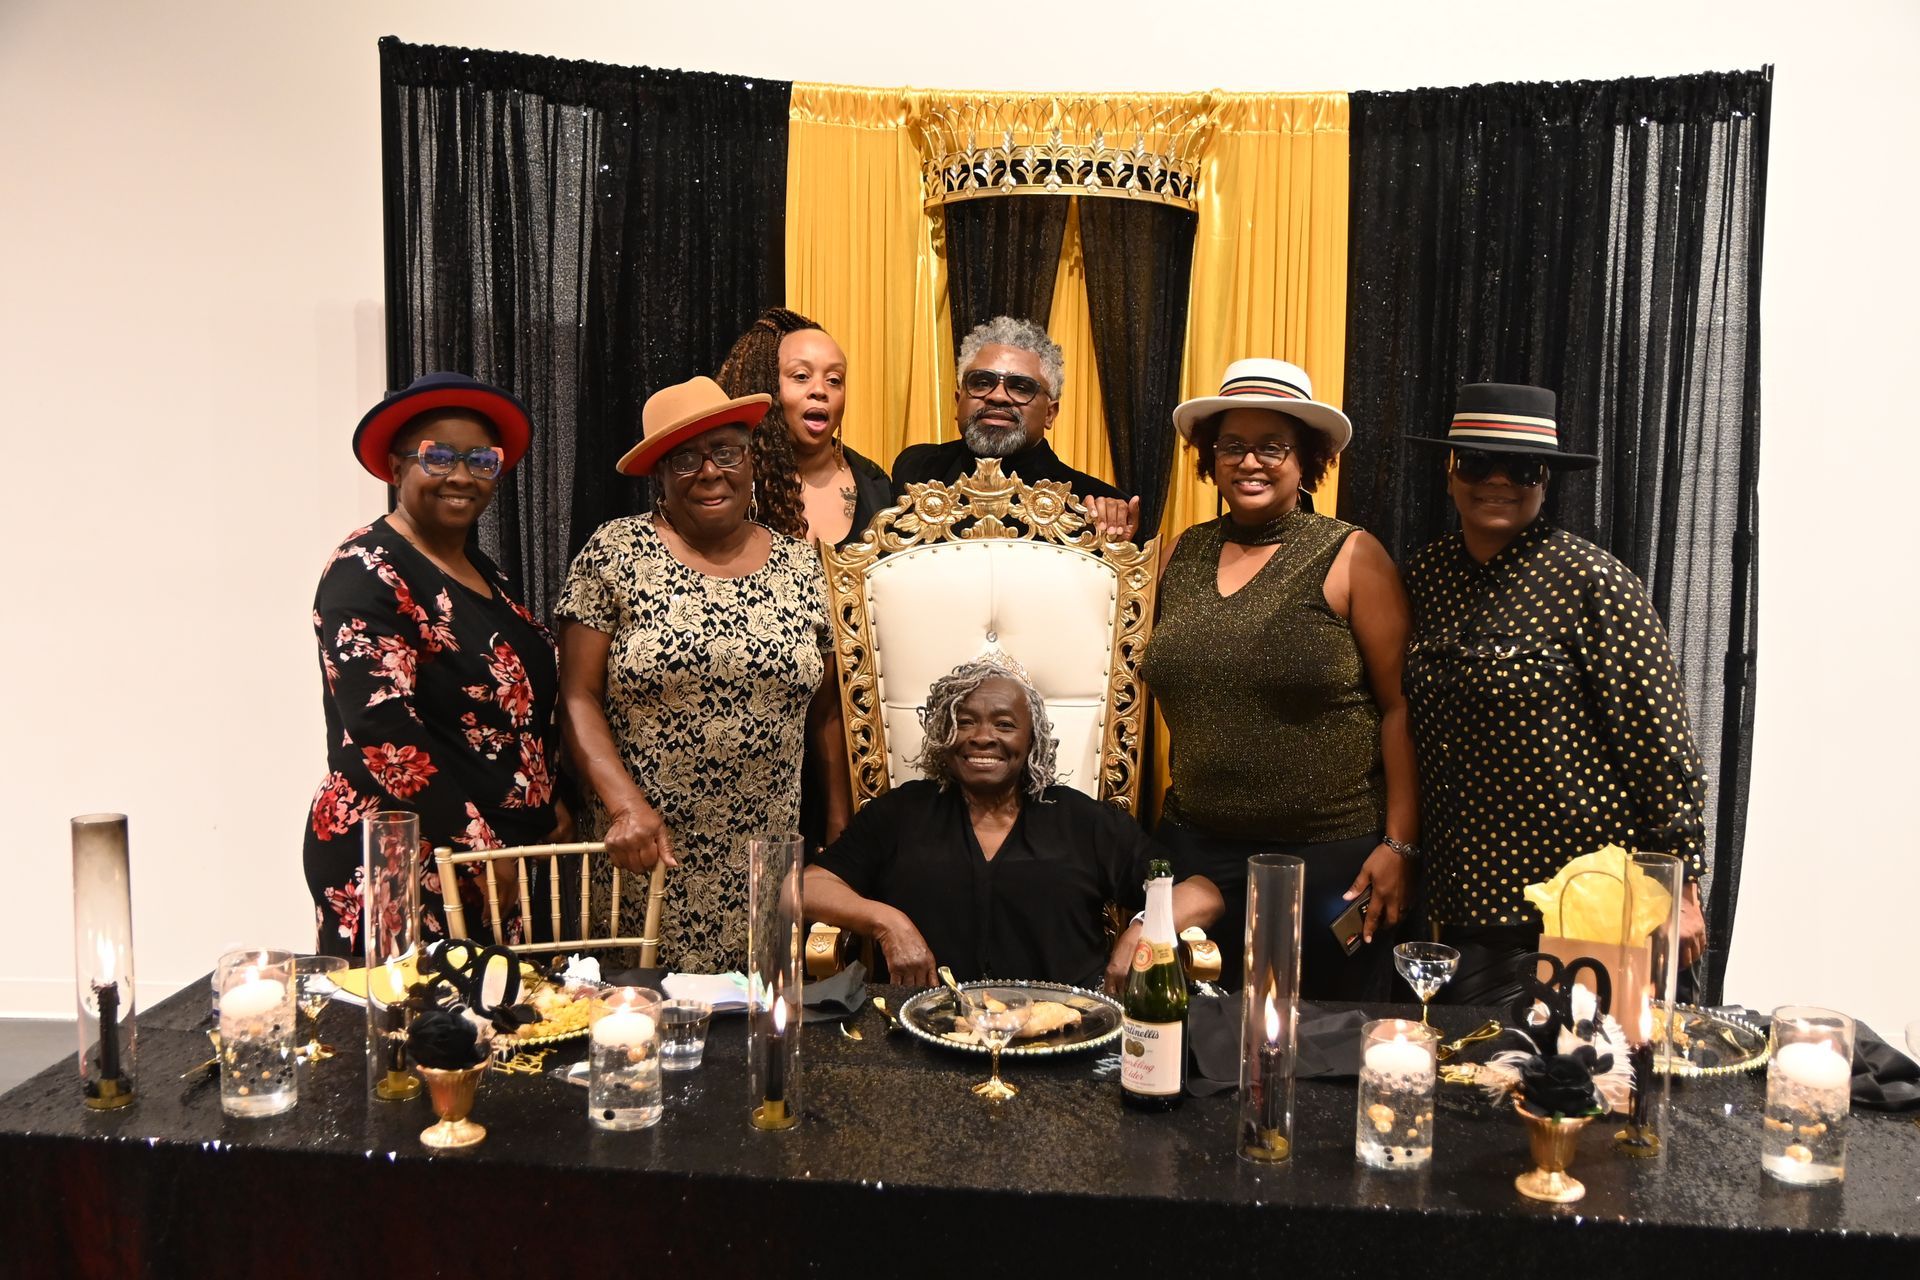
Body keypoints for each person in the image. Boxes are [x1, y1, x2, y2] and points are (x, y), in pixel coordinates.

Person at [1402, 382, 1709, 1007]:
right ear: (1450, 470)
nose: (1497, 480)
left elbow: (1660, 743)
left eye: (1521, 467)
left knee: (1589, 1066)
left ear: (1545, 479)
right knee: (1468, 1063)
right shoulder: (1423, 578)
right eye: (1478, 462)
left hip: (1582, 904)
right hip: (1459, 906)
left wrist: (1679, 887)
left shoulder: (1592, 581)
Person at [1141, 359, 1419, 1000]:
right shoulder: (1180, 552)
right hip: (1193, 851)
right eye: (1232, 446)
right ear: (1211, 457)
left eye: (1272, 447)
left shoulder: (1351, 553)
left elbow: (1400, 707)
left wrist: (1400, 845)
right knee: (1185, 1035)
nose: (1250, 462)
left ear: (1308, 460)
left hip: (1328, 861)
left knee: (1320, 1038)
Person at [556, 376, 851, 972]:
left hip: (766, 861)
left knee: (757, 1014)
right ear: (660, 477)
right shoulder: (615, 553)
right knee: (642, 1018)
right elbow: (577, 696)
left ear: (751, 459)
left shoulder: (802, 566)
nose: (709, 471)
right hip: (646, 852)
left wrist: (842, 835)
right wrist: (624, 806)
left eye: (725, 451)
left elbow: (826, 713)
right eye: (684, 458)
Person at [305, 372, 564, 957]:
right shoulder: (365, 570)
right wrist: (477, 848)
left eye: (481, 460)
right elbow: (382, 728)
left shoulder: (484, 571)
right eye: (438, 457)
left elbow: (515, 708)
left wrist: (550, 799)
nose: (462, 475)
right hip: (408, 858)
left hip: (491, 858)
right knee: (411, 1014)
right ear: (396, 468)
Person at [806, 657, 1222, 993]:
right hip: (923, 1033)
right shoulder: (901, 814)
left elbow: (1201, 893)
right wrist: (886, 922)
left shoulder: (1082, 820)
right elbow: (805, 887)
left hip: (1067, 1036)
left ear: (1032, 740)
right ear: (942, 735)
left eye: (1004, 725)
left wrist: (1145, 928)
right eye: (964, 722)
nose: (982, 737)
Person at [892, 316, 1140, 540]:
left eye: (1021, 387)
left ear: (1050, 413)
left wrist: (1114, 540)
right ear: (958, 402)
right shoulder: (917, 469)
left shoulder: (1094, 508)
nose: (998, 396)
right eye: (981, 383)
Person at [714, 307, 893, 548]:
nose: (820, 390)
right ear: (767, 386)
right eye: (801, 376)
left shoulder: (875, 486)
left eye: (834, 380)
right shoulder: (730, 484)